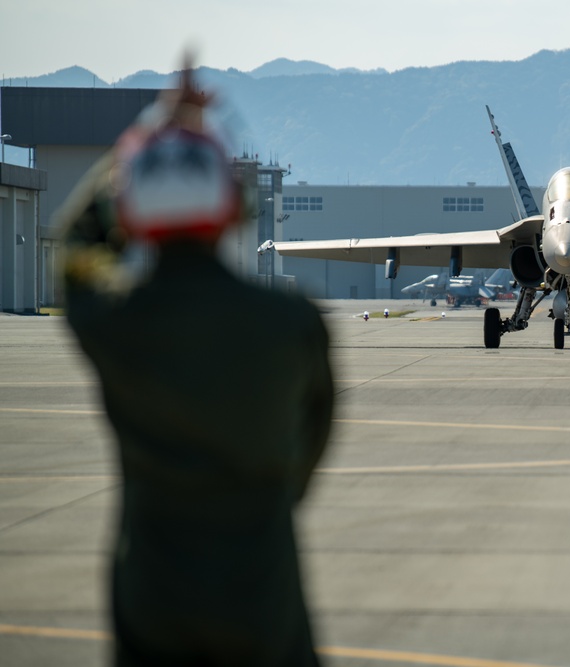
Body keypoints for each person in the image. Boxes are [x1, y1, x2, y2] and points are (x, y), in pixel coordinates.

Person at [57, 63, 333, 666]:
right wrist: (274, 494)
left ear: (131, 212)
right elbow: (314, 435)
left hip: (152, 596)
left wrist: (153, 129)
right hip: (261, 595)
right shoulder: (291, 324)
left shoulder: (120, 322)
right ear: (236, 206)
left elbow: (74, 254)